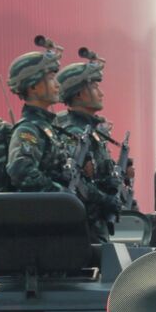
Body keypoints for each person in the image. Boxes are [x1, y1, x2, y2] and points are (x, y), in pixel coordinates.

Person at [57, 50, 134, 235]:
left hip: (96, 225)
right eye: (94, 88)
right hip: (82, 227)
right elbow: (78, 183)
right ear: (79, 95)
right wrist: (105, 198)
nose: (101, 93)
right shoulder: (74, 132)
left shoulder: (93, 132)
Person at [2, 41, 68, 192]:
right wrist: (61, 193)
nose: (57, 85)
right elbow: (21, 172)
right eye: (51, 78)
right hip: (42, 213)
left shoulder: (46, 127)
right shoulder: (29, 129)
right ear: (33, 87)